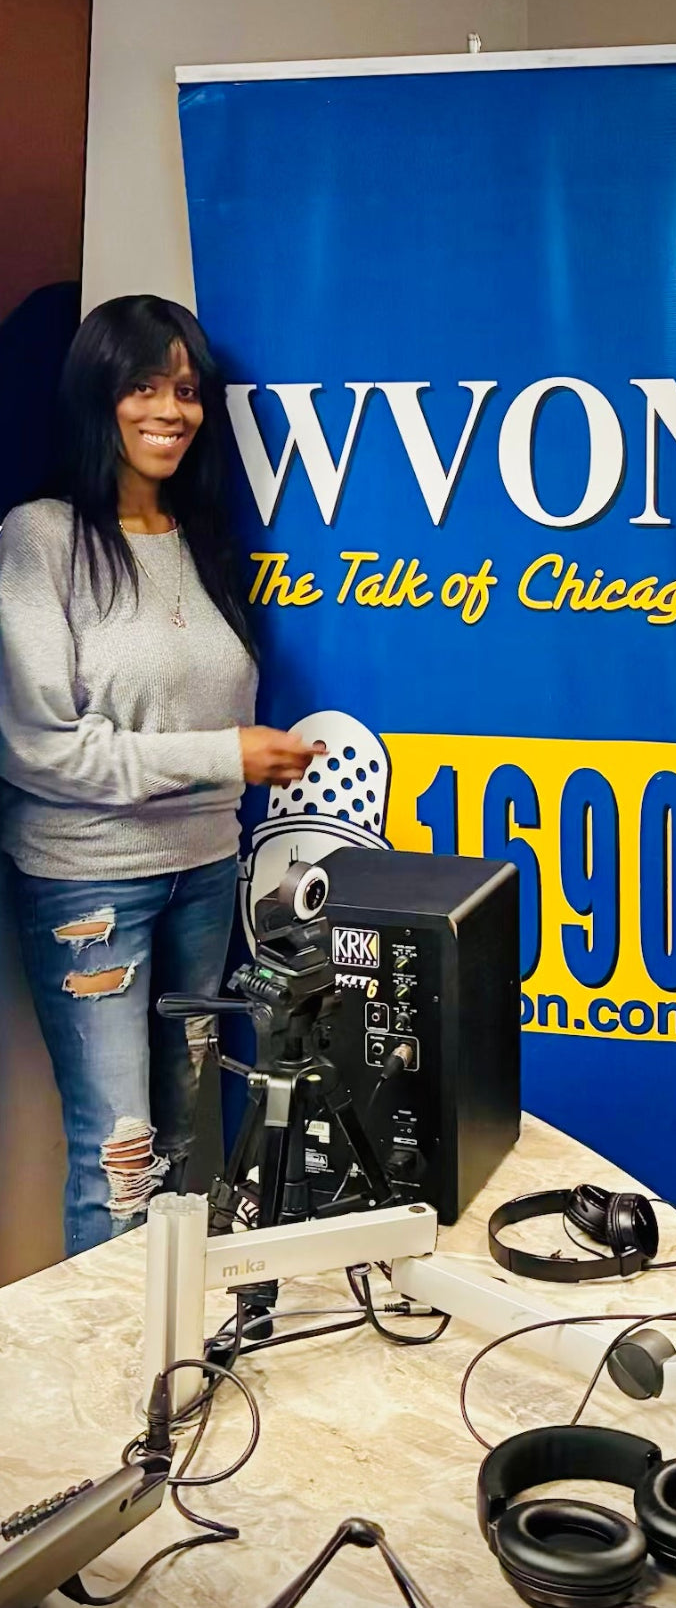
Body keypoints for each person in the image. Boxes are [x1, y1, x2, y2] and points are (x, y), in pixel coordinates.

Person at [0, 294, 323, 1257]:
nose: (169, 410)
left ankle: (183, 1359)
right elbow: (42, 749)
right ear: (98, 395)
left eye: (185, 389)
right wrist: (227, 755)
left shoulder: (203, 538)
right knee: (121, 1155)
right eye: (143, 385)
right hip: (88, 882)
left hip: (204, 874)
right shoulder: (39, 537)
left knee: (190, 1145)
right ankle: (110, 1389)